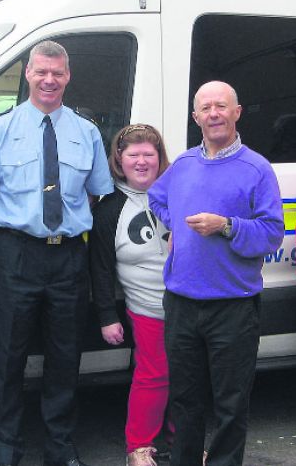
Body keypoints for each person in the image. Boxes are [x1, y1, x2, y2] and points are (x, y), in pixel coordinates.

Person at [0, 40, 114, 466]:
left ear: (68, 76)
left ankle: (59, 446)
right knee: (7, 357)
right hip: (16, 255)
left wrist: (61, 230)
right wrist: (11, 242)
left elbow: (95, 196)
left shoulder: (86, 133)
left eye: (57, 72)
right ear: (28, 74)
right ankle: (7, 447)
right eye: (41, 72)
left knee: (64, 356)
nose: (49, 80)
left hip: (68, 258)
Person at [148, 81, 285, 466]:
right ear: (196, 118)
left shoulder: (256, 168)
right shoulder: (184, 164)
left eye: (221, 106)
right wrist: (173, 223)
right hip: (181, 304)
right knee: (185, 401)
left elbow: (272, 232)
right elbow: (157, 198)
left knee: (231, 405)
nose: (213, 114)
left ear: (237, 112)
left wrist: (227, 226)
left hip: (233, 307)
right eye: (205, 108)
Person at [90, 124, 173, 466]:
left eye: (148, 155)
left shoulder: (175, 193)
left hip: (187, 304)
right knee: (153, 375)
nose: (141, 162)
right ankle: (139, 446)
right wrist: (107, 317)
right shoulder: (110, 208)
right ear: (119, 160)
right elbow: (101, 268)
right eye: (133, 155)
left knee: (188, 375)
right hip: (147, 308)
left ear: (159, 159)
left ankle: (183, 439)